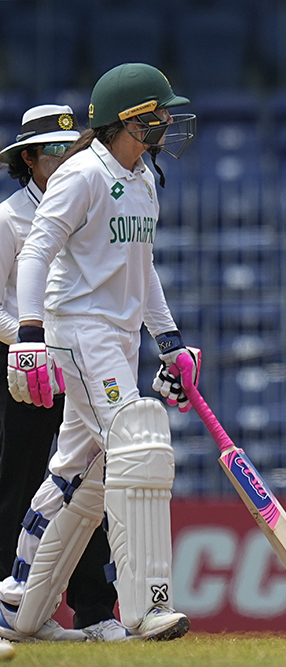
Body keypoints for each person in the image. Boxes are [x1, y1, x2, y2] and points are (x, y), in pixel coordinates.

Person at [0, 63, 198, 642]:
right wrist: (31, 336)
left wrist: (169, 341)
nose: (168, 124)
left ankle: (18, 605)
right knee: (139, 447)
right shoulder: (84, 173)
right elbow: (37, 251)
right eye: (159, 115)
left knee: (75, 474)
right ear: (131, 120)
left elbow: (144, 268)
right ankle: (146, 606)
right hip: (79, 330)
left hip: (118, 335)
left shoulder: (142, 179)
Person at [0, 105, 125, 641]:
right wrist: (31, 344)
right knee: (25, 484)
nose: (63, 157)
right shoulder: (9, 218)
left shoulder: (88, 199)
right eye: (52, 149)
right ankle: (14, 607)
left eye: (69, 147)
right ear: (27, 159)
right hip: (26, 370)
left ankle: (96, 610)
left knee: (89, 483)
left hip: (79, 360)